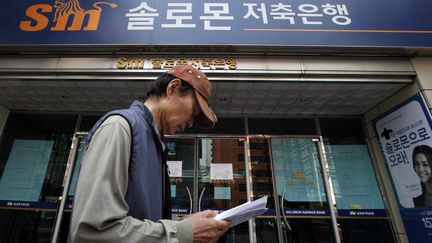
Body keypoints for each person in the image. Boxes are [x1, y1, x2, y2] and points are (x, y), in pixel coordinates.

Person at [70, 65, 230, 242]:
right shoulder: (119, 127)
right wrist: (181, 232)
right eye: (195, 111)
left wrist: (184, 228)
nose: (191, 122)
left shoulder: (157, 144)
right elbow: (93, 230)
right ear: (173, 88)